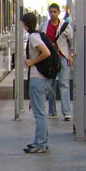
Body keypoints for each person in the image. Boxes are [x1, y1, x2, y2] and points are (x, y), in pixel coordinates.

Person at [22, 11, 54, 153]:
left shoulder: (34, 37)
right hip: (42, 79)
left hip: (38, 78)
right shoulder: (38, 35)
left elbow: (46, 52)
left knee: (39, 113)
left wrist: (31, 62)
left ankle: (40, 143)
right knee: (40, 112)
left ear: (25, 24)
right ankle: (41, 141)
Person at [43, 3, 74, 120]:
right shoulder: (44, 25)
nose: (52, 14)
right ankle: (52, 111)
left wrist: (71, 56)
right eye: (51, 12)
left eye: (55, 12)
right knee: (50, 85)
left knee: (64, 84)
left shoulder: (65, 26)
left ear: (58, 13)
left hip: (62, 57)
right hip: (49, 58)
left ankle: (66, 112)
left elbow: (71, 41)